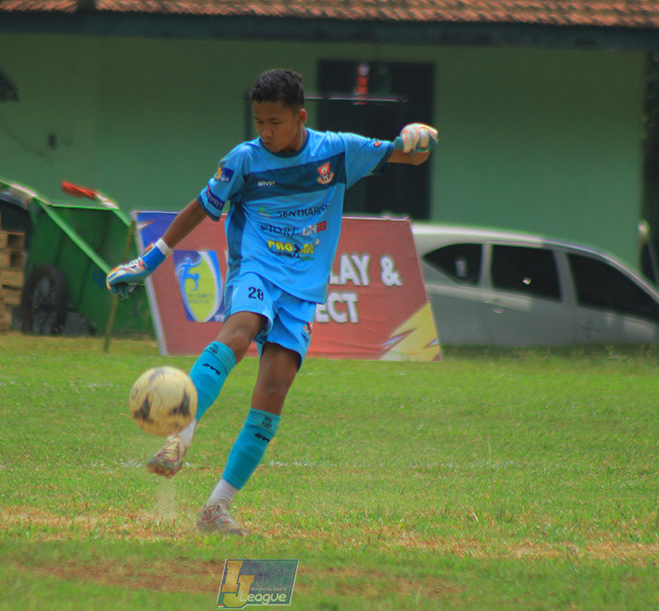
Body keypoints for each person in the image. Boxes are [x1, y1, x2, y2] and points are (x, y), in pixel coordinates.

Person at [106, 68, 437, 535]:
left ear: (300, 117)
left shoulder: (338, 152)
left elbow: (410, 156)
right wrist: (151, 259)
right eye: (258, 121)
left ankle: (216, 508)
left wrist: (418, 136)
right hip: (257, 269)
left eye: (275, 122)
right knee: (240, 331)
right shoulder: (244, 160)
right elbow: (201, 207)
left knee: (274, 393)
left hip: (302, 291)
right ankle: (181, 435)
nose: (265, 132)